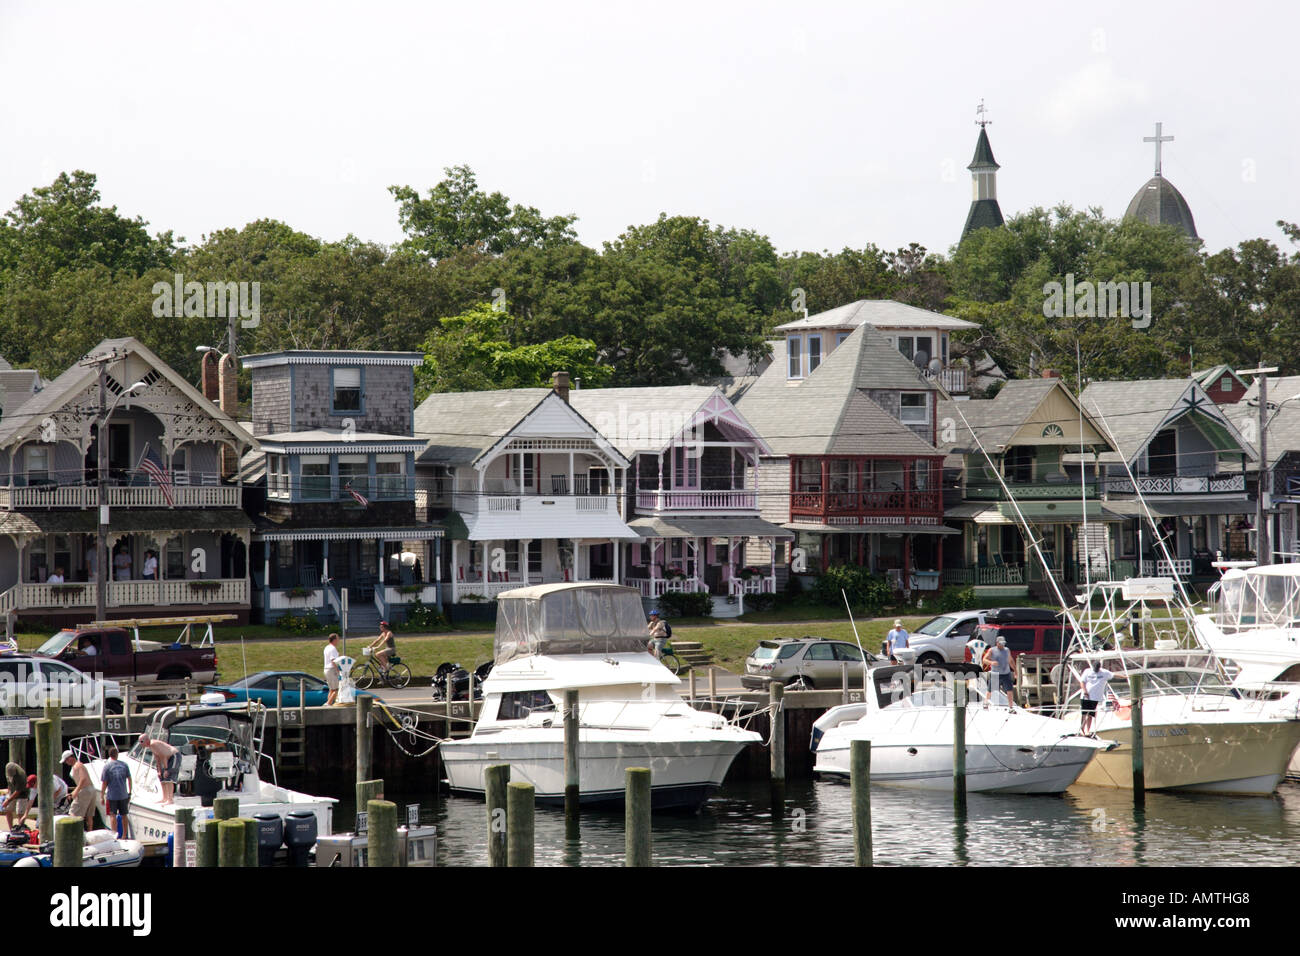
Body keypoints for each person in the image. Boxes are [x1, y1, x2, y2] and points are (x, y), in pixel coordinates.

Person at [100, 746, 132, 838]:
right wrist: (130, 792)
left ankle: (115, 835)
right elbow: (130, 779)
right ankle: (124, 835)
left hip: (112, 796)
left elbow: (104, 783)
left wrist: (102, 796)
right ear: (117, 754)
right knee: (124, 815)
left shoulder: (107, 767)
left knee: (112, 815)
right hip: (123, 795)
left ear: (109, 755)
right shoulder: (124, 765)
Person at [139, 733, 179, 805]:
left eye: (141, 741)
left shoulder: (154, 744)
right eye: (139, 742)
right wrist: (159, 771)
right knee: (162, 777)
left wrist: (166, 770)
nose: (140, 743)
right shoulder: (150, 746)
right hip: (167, 758)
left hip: (174, 756)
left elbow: (163, 756)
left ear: (147, 740)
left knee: (168, 778)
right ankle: (165, 798)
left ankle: (170, 799)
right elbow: (157, 758)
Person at [1079, 658, 1115, 736]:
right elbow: (1082, 682)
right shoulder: (1087, 671)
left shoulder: (1104, 672)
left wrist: (1126, 677)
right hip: (1085, 696)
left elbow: (1114, 675)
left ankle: (1087, 730)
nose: (1096, 670)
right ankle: (1082, 730)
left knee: (1091, 714)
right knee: (1084, 713)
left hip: (1095, 697)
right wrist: (1085, 691)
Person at [64, 750, 96, 831]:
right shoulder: (80, 765)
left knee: (73, 813)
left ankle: (76, 833)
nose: (66, 763)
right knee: (89, 815)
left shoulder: (77, 765)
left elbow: (83, 779)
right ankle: (90, 833)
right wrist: (72, 792)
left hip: (85, 790)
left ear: (70, 758)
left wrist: (75, 791)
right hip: (91, 789)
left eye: (66, 760)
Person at [982, 635, 1015, 710]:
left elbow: (1011, 661)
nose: (1002, 645)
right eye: (1001, 643)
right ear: (997, 643)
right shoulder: (992, 650)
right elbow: (984, 660)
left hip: (1006, 673)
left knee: (1009, 690)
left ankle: (1011, 707)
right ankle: (985, 703)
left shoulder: (1007, 650)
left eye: (1003, 643)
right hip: (995, 674)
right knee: (990, 690)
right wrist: (991, 662)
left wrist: (1015, 671)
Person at [3, 761, 29, 831]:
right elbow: (9, 783)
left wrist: (8, 800)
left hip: (22, 793)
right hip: (12, 791)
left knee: (20, 812)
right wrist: (8, 794)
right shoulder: (7, 771)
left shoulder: (21, 775)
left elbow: (18, 791)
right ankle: (11, 829)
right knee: (7, 809)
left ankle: (20, 830)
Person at [323, 633, 341, 706]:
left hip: (326, 669)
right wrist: (338, 670)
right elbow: (333, 660)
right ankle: (329, 703)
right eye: (337, 639)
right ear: (334, 640)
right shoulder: (333, 648)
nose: (338, 641)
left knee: (331, 689)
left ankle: (328, 702)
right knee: (336, 689)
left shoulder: (327, 647)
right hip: (332, 669)